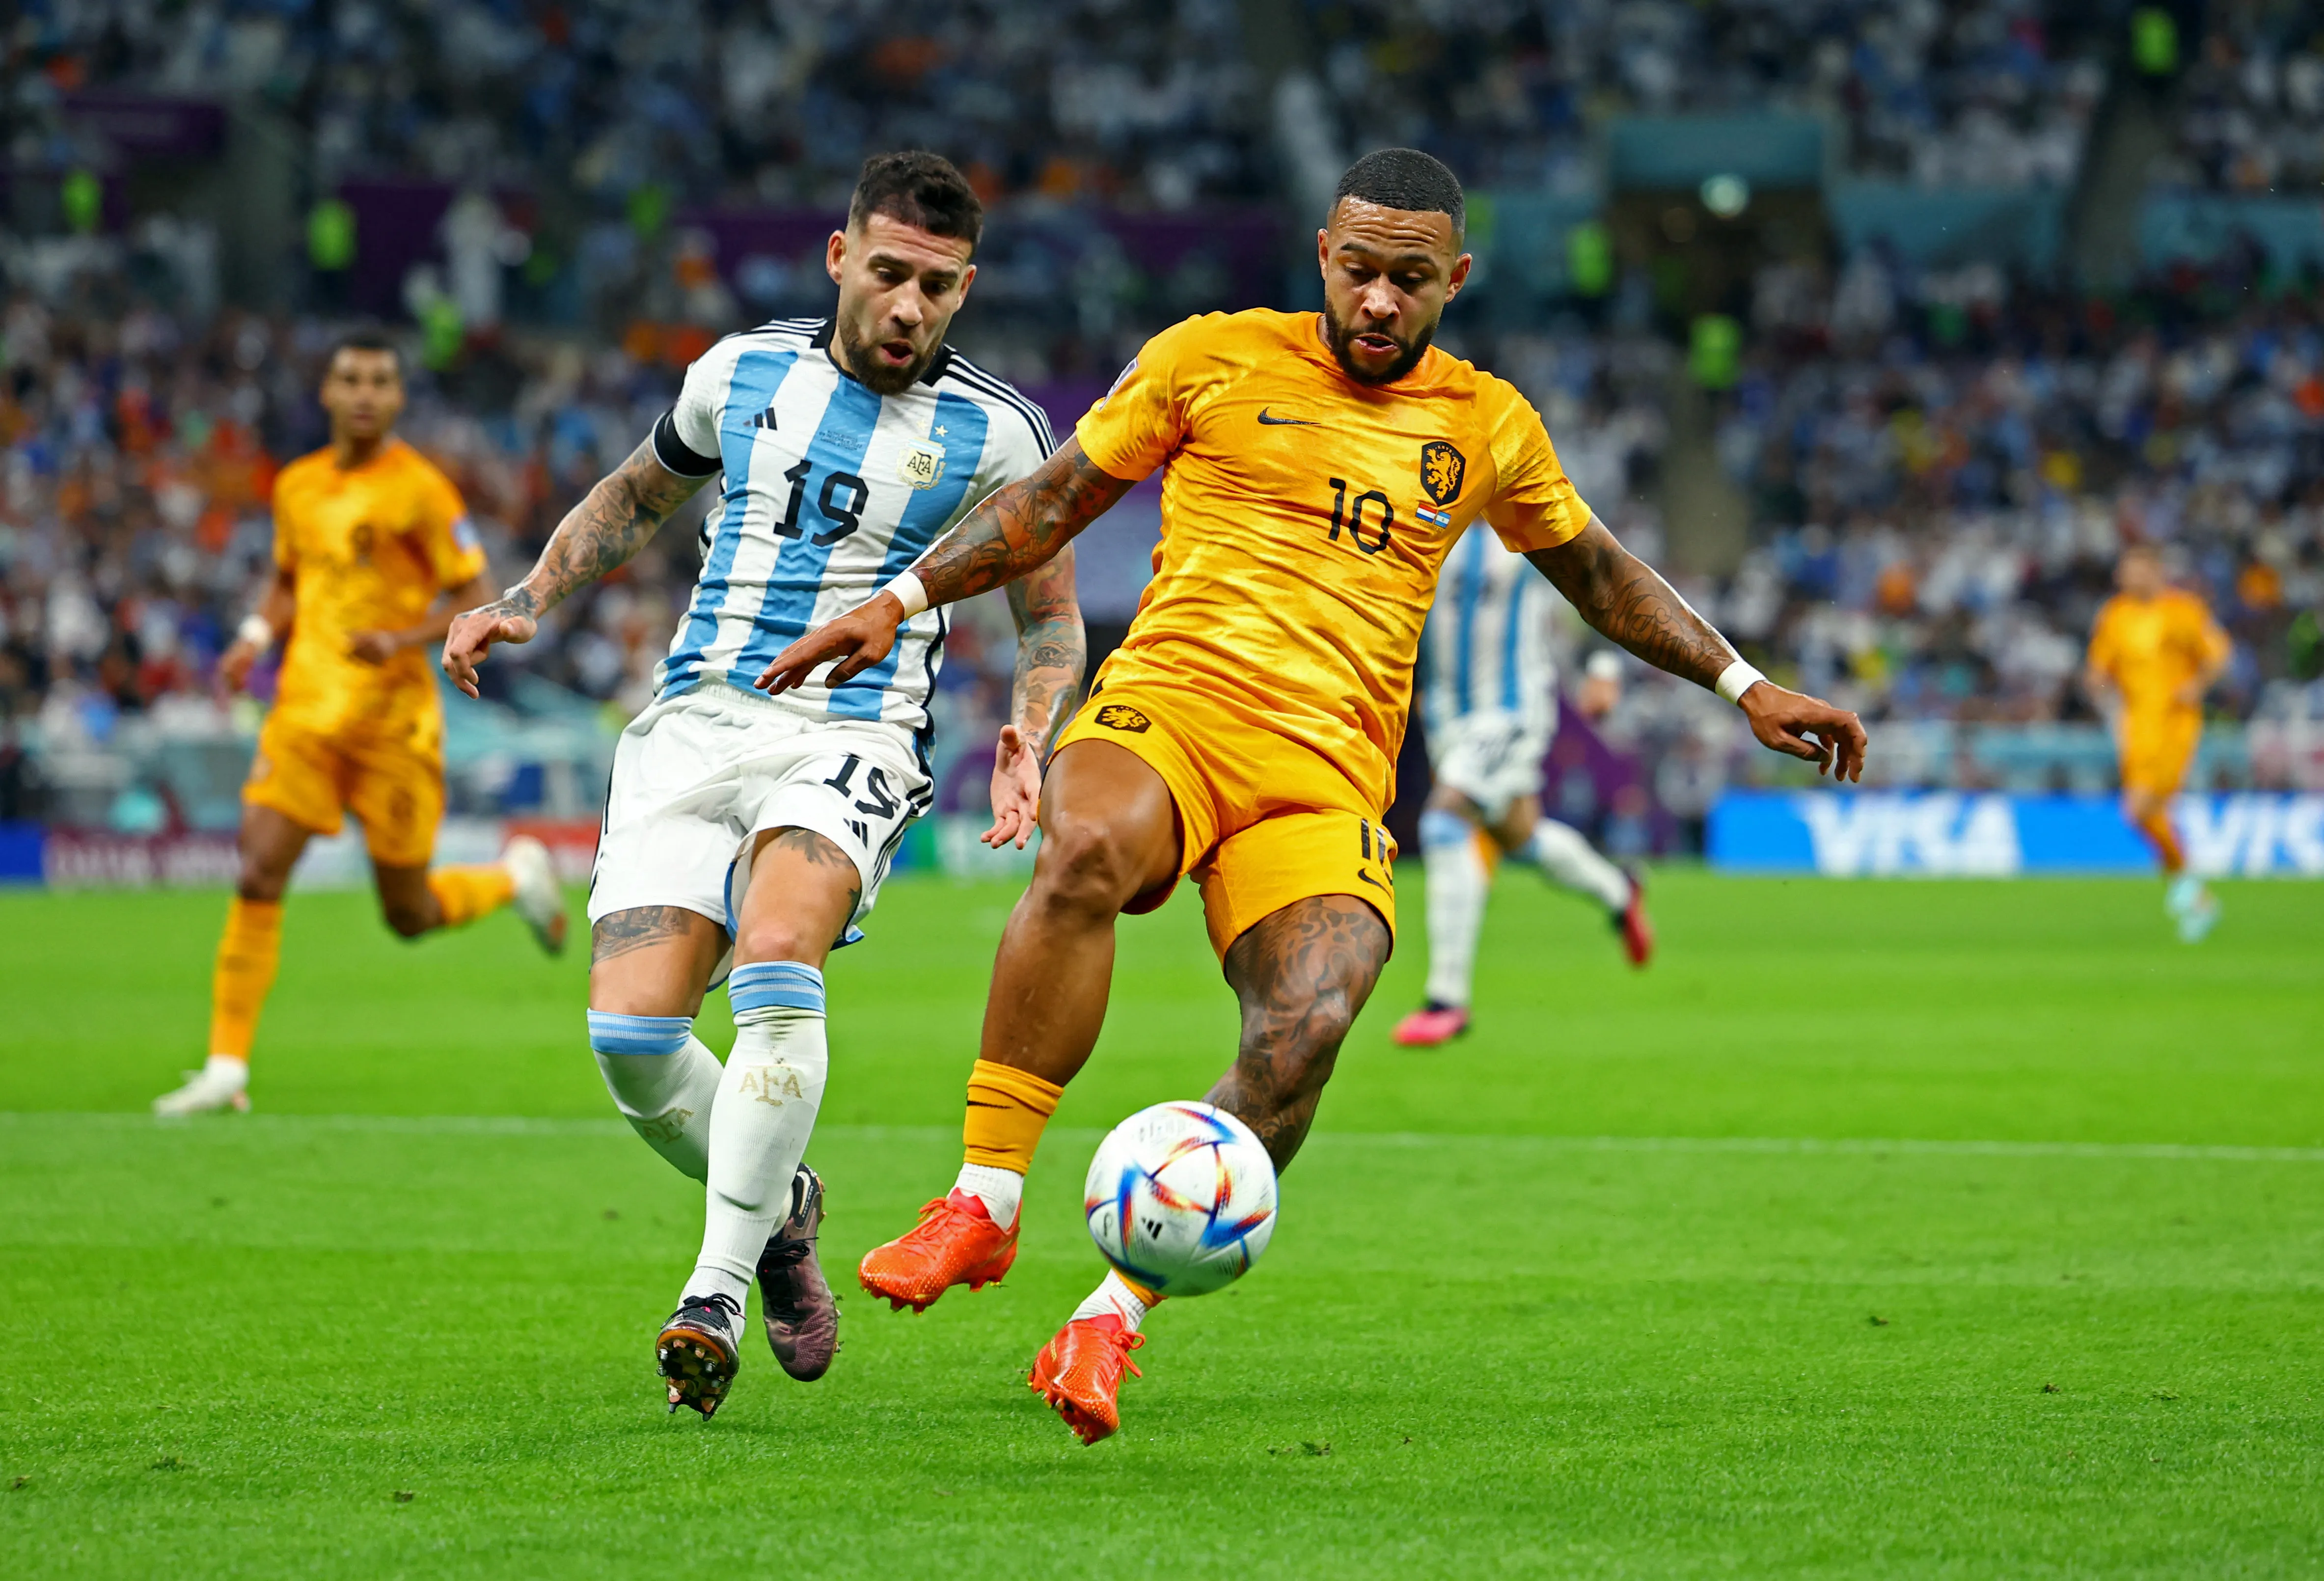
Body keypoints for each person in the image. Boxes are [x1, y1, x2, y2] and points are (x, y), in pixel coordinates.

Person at [761, 148, 1865, 1445]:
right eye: (1359, 270)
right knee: (1083, 850)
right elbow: (1054, 500)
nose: (1380, 300)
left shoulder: (1485, 426)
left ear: (1452, 281)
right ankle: (984, 1200)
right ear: (1323, 259)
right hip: (1171, 707)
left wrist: (1743, 683)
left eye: (1410, 279)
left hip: (1328, 772)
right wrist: (894, 602)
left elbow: (1601, 575)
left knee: (1312, 1017)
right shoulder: (1210, 356)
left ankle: (1112, 1312)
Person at [440, 152, 1082, 1418]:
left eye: (939, 290)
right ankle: (784, 1213)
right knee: (632, 1041)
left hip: (852, 734)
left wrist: (1030, 726)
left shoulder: (1002, 434)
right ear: (840, 258)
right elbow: (638, 494)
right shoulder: (739, 374)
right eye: (890, 275)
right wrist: (527, 601)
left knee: (780, 950)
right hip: (690, 725)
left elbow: (1049, 618)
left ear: (966, 292)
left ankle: (716, 1290)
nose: (910, 308)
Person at [154, 333, 567, 1118]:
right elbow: (287, 581)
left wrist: (402, 639)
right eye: (351, 379)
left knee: (407, 915)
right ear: (327, 394)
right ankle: (225, 1067)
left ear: (399, 397)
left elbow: (477, 594)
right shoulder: (297, 486)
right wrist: (250, 638)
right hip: (306, 715)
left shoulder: (422, 491)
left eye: (381, 380)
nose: (366, 393)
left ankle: (514, 878)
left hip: (392, 727)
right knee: (256, 872)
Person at [1393, 525, 1653, 1050]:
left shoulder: (1520, 513)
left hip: (1510, 708)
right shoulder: (1423, 513)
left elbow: (1596, 576)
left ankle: (1446, 1000)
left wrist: (1602, 667)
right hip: (1449, 716)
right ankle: (1619, 892)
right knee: (1519, 835)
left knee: (1444, 820)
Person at [2084, 542, 2232, 940]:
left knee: (2140, 807)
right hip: (2133, 726)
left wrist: (2196, 686)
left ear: (2154, 571)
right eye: (2123, 570)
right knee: (2138, 814)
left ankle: (2188, 889)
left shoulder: (2183, 611)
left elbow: (2217, 653)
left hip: (2174, 725)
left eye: (2133, 569)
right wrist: (2097, 687)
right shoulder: (2115, 615)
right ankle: (2192, 893)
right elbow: (2099, 666)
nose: (2125, 577)